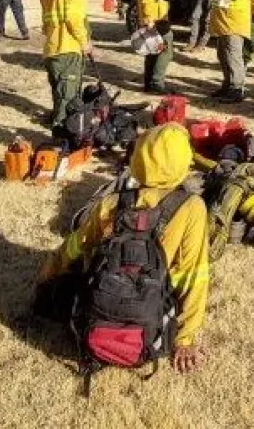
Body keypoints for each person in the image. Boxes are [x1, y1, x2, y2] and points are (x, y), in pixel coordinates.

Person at [36, 122, 209, 374]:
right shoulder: (192, 208)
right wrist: (185, 339)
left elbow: (74, 246)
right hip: (153, 311)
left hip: (101, 305)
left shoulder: (111, 202)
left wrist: (46, 277)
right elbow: (195, 274)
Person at [40, 0, 93, 128]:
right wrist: (85, 42)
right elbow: (74, 19)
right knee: (68, 94)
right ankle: (62, 129)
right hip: (68, 47)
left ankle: (57, 116)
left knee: (58, 89)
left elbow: (46, 19)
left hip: (51, 47)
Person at [209, 0, 252, 103]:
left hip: (234, 26)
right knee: (223, 57)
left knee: (233, 58)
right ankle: (227, 85)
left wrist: (218, 0)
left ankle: (236, 89)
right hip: (224, 25)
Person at [138, 0, 174, 95]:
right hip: (156, 20)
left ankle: (149, 84)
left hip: (157, 18)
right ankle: (156, 83)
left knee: (152, 51)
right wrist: (149, 20)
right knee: (165, 50)